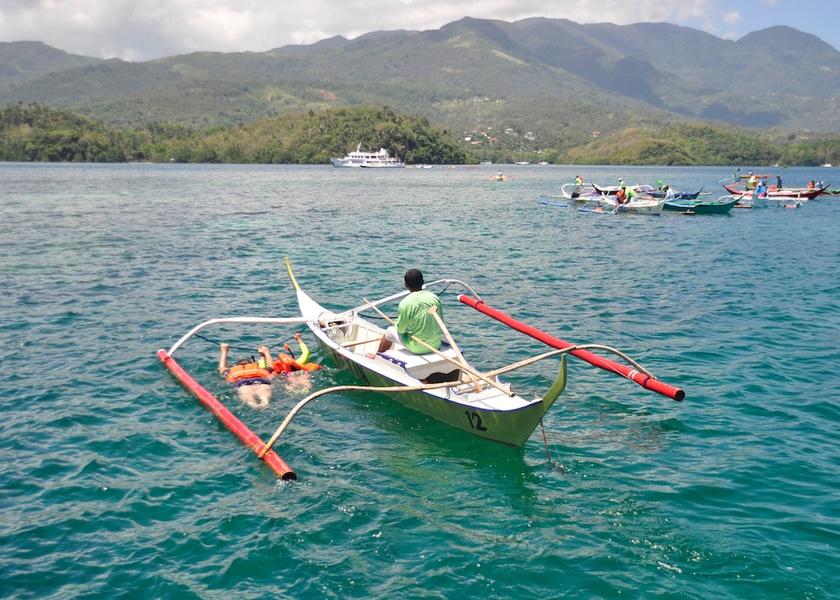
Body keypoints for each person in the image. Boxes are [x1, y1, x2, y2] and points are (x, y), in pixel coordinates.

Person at [372, 269, 443, 356]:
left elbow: (401, 330)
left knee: (390, 331)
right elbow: (440, 323)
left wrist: (396, 324)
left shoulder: (405, 302)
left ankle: (377, 355)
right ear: (423, 282)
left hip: (418, 348)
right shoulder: (434, 297)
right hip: (436, 344)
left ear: (406, 285)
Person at [218, 343, 274, 408]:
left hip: (243, 385)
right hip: (262, 383)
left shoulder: (233, 370)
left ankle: (254, 405)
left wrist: (224, 351)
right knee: (265, 402)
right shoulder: (258, 368)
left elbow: (222, 368)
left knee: (251, 403)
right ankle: (264, 403)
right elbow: (271, 367)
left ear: (237, 365)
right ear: (252, 363)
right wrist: (266, 352)